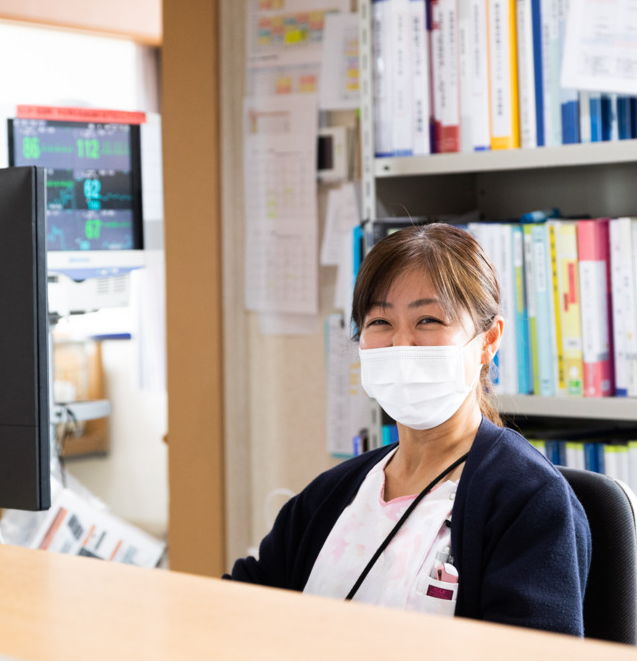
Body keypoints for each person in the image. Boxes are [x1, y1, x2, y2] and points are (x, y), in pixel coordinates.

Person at [228, 223, 591, 636]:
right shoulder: (330, 496)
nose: (402, 344)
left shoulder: (529, 502)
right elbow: (235, 608)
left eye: (428, 319)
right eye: (380, 321)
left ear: (488, 340)